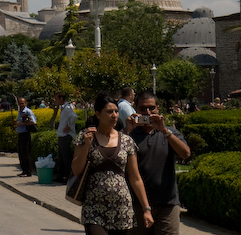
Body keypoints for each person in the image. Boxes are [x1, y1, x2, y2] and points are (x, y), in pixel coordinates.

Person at [72, 92, 154, 234]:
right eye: (109, 112)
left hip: (122, 209)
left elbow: (135, 178)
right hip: (94, 208)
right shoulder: (85, 137)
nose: (115, 115)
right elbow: (76, 170)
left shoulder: (127, 141)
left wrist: (146, 209)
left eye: (116, 111)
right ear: (98, 114)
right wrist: (86, 145)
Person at [127, 92, 191, 235]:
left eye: (151, 108)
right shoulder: (129, 135)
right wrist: (127, 131)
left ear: (158, 108)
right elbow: (115, 159)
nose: (148, 113)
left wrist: (164, 130)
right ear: (136, 110)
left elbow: (185, 154)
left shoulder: (170, 132)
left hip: (167, 204)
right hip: (136, 204)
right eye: (143, 109)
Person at [55, 92, 77, 183]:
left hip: (66, 136)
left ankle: (68, 177)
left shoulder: (67, 108)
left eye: (56, 99)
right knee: (61, 158)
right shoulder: (63, 108)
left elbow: (74, 116)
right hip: (61, 135)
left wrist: (69, 125)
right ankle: (60, 175)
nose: (55, 101)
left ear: (61, 98)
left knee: (66, 158)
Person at [16, 97, 36, 177]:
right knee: (21, 154)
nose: (21, 105)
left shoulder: (28, 111)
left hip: (26, 134)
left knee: (26, 153)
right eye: (19, 103)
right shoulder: (20, 112)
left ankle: (28, 171)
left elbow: (33, 122)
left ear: (25, 103)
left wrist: (22, 123)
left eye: (22, 103)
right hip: (20, 134)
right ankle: (24, 170)